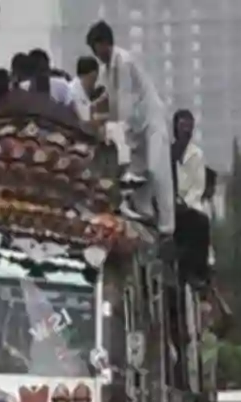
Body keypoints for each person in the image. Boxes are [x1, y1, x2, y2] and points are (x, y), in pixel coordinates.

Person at [86, 20, 176, 237]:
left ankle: (167, 225)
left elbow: (124, 103)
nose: (97, 55)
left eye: (97, 48)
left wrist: (117, 134)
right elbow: (110, 104)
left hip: (151, 122)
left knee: (156, 170)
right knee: (137, 184)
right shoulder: (106, 71)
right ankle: (147, 222)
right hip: (134, 130)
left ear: (105, 43)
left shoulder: (124, 61)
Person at [172, 109, 211, 283]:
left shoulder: (197, 155)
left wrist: (184, 203)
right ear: (175, 129)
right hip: (168, 205)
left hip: (188, 207)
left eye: (189, 127)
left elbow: (198, 187)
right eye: (182, 126)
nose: (186, 131)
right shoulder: (167, 153)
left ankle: (198, 273)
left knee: (202, 223)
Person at [69, 56, 100, 121]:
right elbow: (86, 119)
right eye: (94, 78)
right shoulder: (73, 93)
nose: (95, 82)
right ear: (92, 75)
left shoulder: (82, 91)